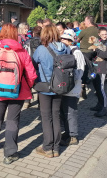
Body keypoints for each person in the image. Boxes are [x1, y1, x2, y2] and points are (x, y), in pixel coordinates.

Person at [0, 23, 37, 164]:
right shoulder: (22, 52)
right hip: (18, 91)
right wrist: (28, 87)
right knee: (12, 121)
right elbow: (31, 74)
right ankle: (10, 153)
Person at [33, 25, 68, 158]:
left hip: (46, 86)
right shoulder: (64, 48)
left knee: (46, 118)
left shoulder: (41, 49)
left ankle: (48, 147)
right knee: (56, 116)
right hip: (60, 86)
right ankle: (56, 148)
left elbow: (33, 62)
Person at [59, 30, 85, 146]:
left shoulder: (77, 53)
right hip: (65, 88)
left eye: (64, 39)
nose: (62, 41)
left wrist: (70, 81)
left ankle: (73, 136)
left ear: (70, 41)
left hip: (73, 88)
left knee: (71, 113)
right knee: (65, 112)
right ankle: (67, 132)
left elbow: (80, 71)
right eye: (61, 39)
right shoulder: (65, 51)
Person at [90, 27, 107, 117]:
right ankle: (99, 104)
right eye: (103, 34)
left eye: (106, 34)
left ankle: (104, 108)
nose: (105, 36)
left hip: (104, 67)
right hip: (96, 67)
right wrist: (93, 51)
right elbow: (94, 53)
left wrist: (96, 50)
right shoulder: (99, 42)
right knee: (96, 87)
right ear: (99, 34)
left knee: (101, 88)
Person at [77, 16, 99, 99]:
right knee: (92, 69)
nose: (84, 22)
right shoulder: (97, 30)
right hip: (93, 52)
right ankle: (96, 86)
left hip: (84, 52)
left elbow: (77, 40)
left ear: (89, 22)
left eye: (85, 21)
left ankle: (83, 86)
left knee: (83, 70)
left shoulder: (84, 31)